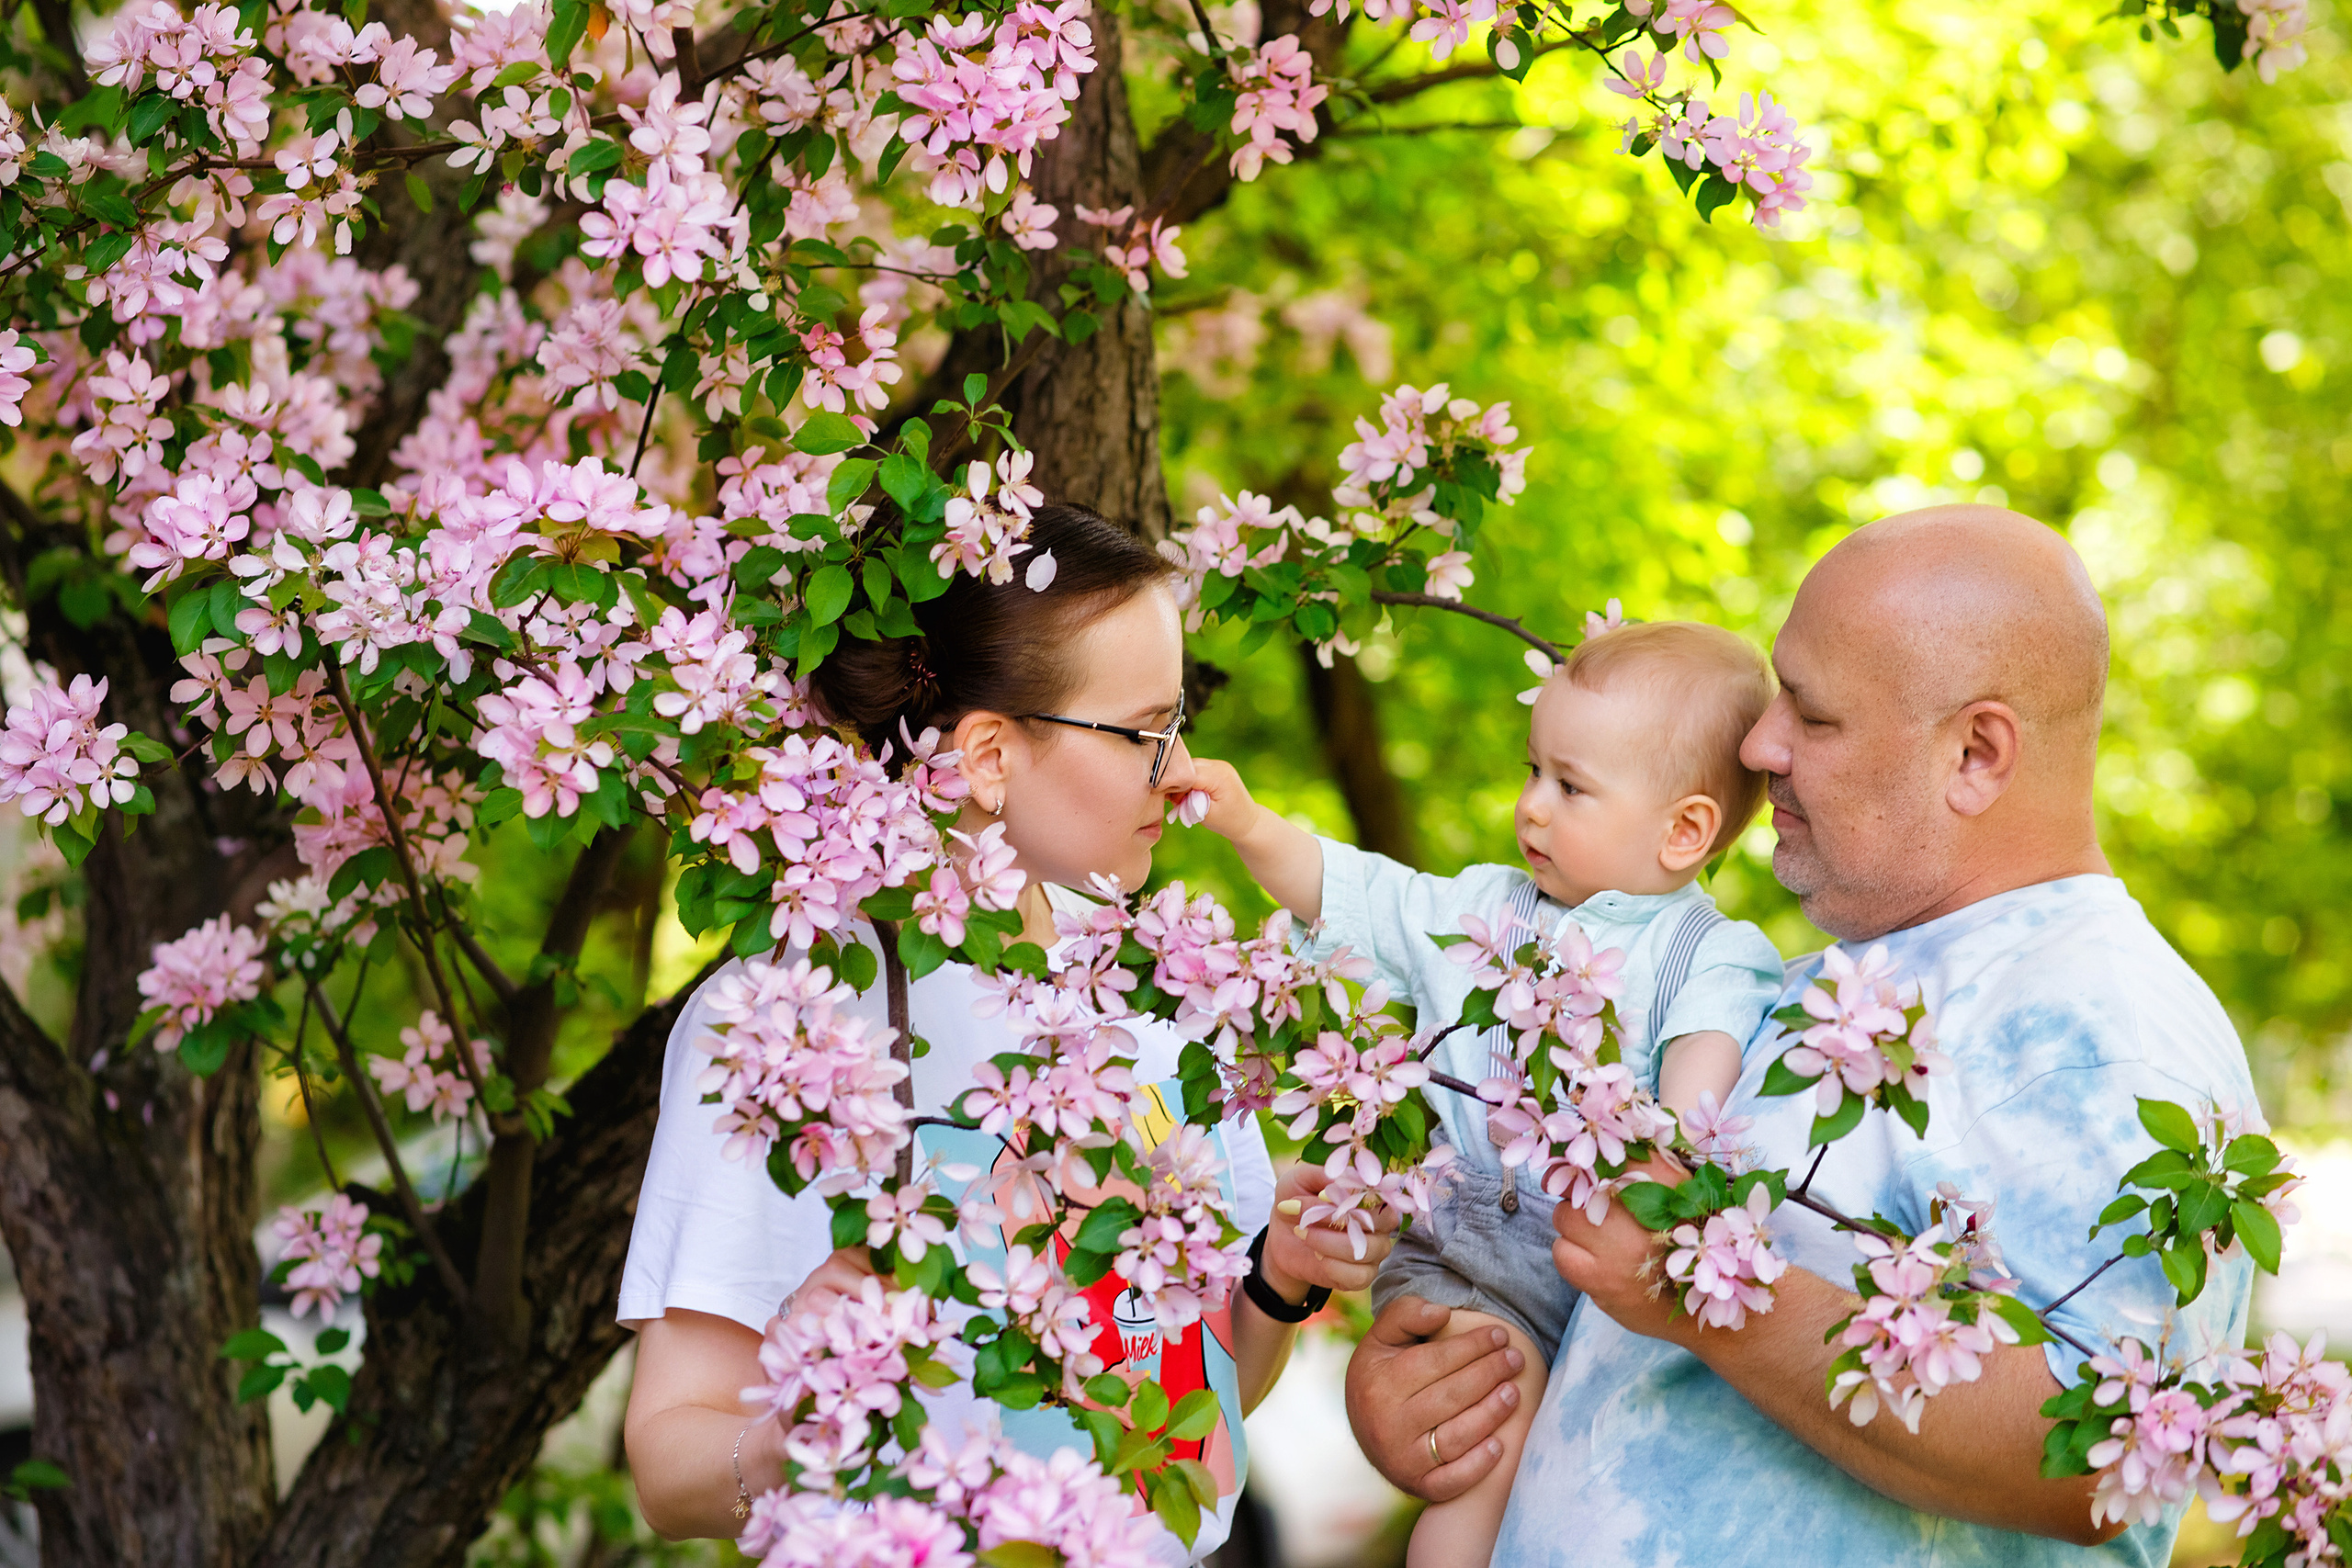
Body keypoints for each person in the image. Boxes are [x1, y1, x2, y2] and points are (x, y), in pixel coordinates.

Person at [1344, 504, 2259, 1566]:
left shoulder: (2098, 1027)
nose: (1756, 744)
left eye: (1812, 717)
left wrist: (1709, 1296)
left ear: (1975, 752)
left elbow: (2104, 1458)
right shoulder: (1799, 993)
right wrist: (1432, 1393)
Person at [616, 503, 1395, 1563]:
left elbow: (1193, 1397)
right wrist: (812, 1407)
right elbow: (669, 1468)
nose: (1179, 774)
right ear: (987, 757)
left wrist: (1276, 1278)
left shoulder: (1157, 1001)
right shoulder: (781, 1023)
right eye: (1145, 731)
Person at [1189, 619, 1786, 1566]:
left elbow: (1693, 1116)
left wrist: (1663, 1151)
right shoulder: (1485, 909)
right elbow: (1353, 892)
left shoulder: (1713, 955)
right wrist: (1247, 822)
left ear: (1685, 830)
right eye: (1532, 772)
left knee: (1554, 1481)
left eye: (1571, 786)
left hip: (1591, 1292)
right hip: (1457, 1264)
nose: (1532, 810)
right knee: (1487, 1457)